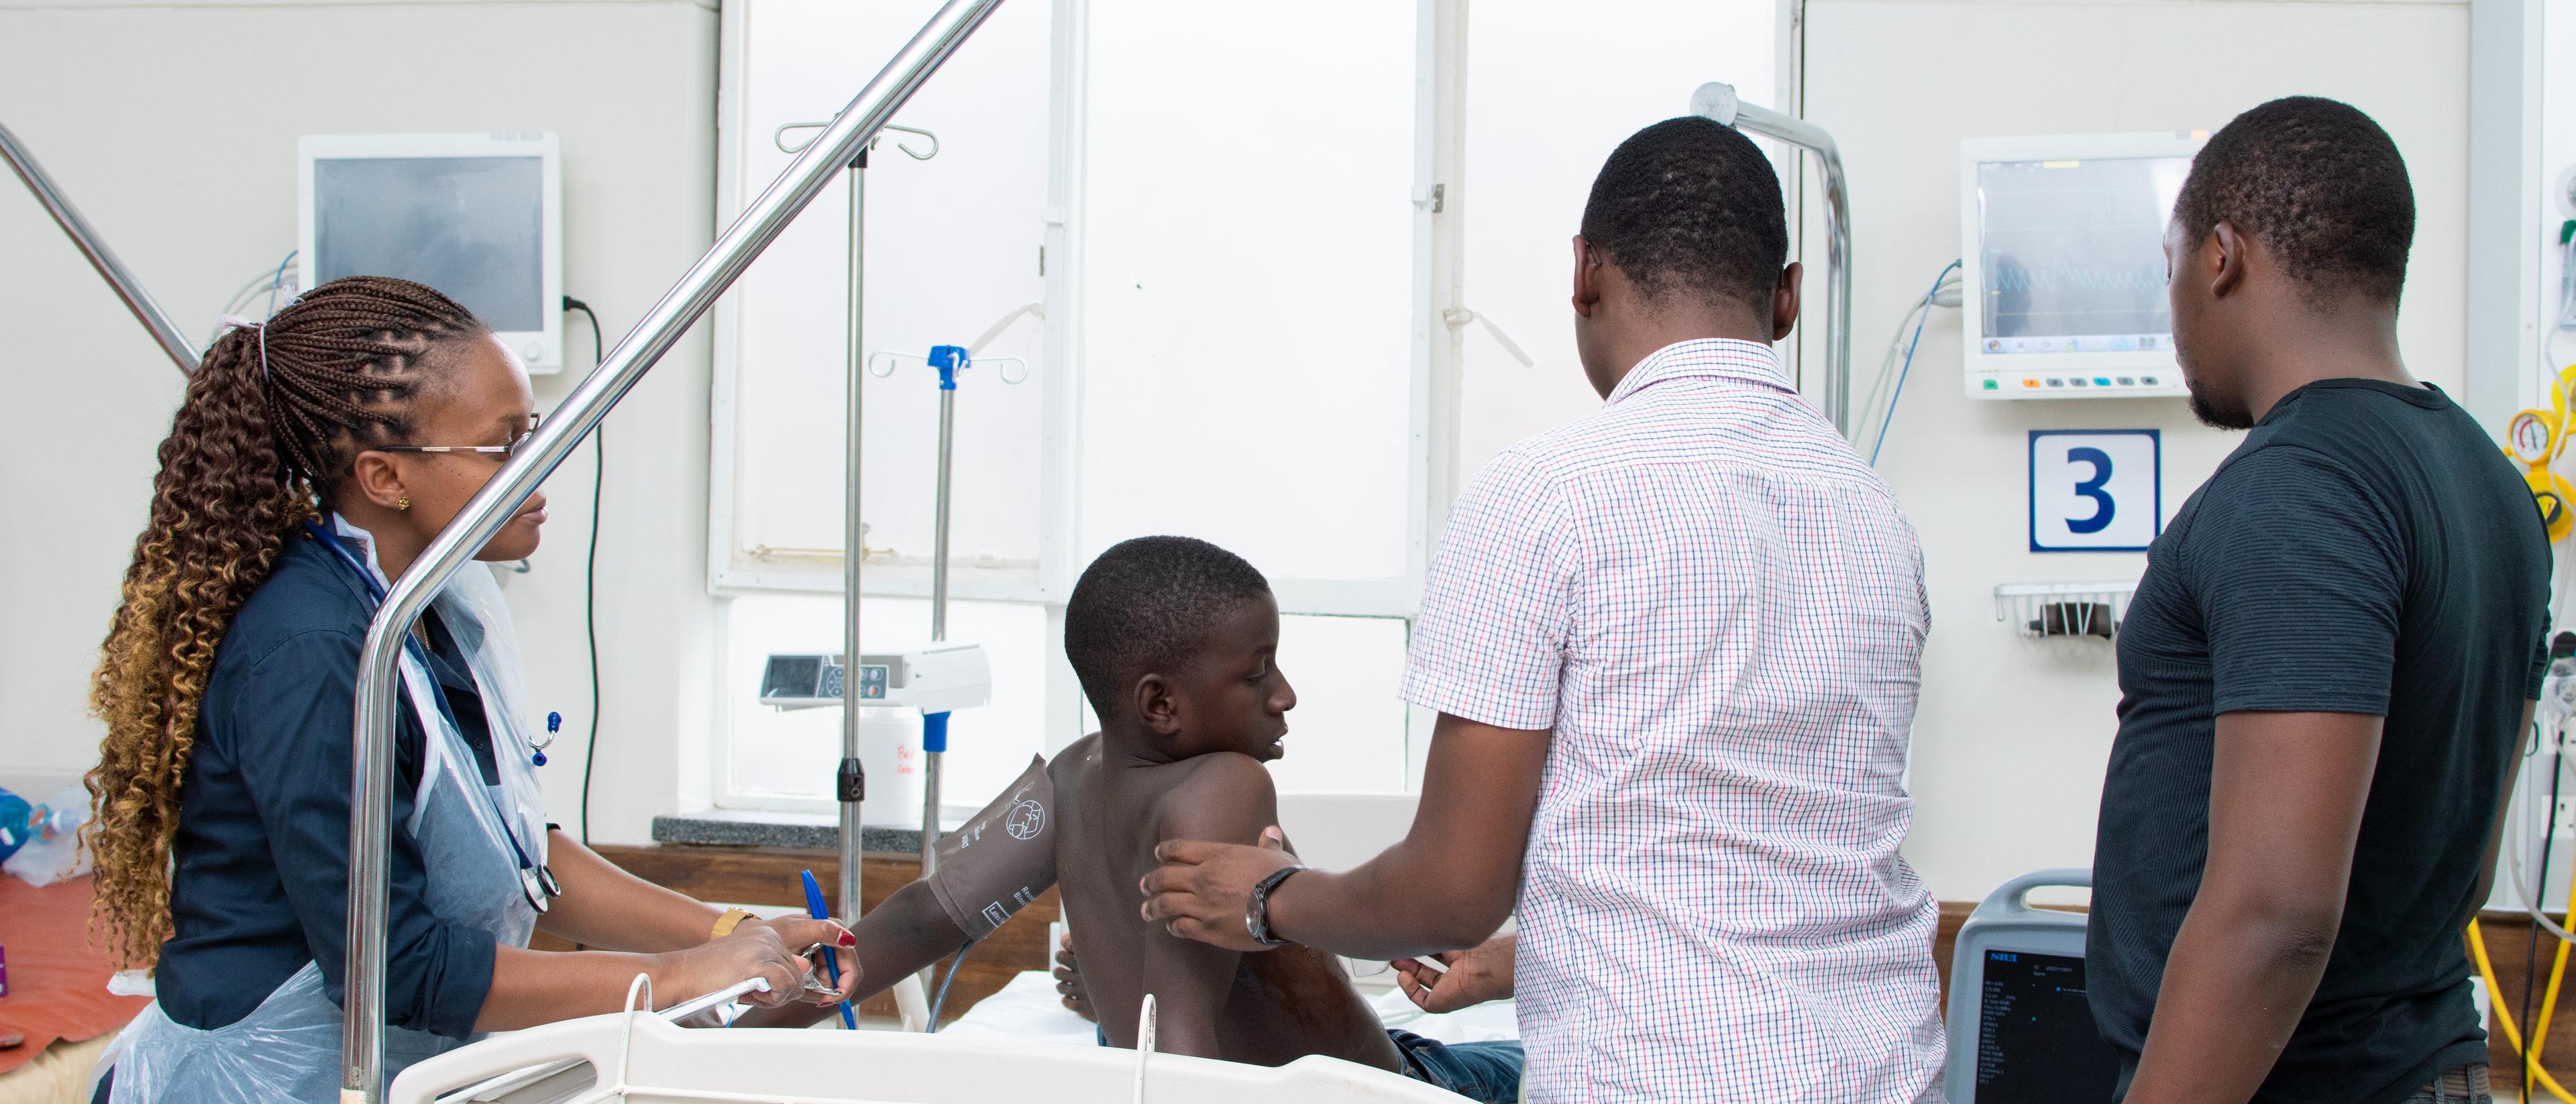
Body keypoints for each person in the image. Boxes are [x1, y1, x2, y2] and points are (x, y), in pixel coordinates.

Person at [1138, 116, 1947, 1101]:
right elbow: (1755, 864)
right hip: (1885, 1071)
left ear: (1584, 273)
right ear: (1787, 297)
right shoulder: (1874, 513)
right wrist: (1527, 956)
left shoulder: (1548, 496)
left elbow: (1453, 889)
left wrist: (1269, 898)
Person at [83, 277, 857, 1103]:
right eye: (502, 445)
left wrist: (729, 930)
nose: (538, 468)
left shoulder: (424, 605)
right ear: (385, 474)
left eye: (534, 433)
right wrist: (673, 976)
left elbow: (514, 853)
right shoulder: (314, 653)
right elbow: (395, 964)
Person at [2086, 97, 2550, 1104]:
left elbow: (2279, 915)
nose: (2173, 307)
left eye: (2172, 267)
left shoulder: (2299, 489)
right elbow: (2464, 873)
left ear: (2222, 257)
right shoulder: (2494, 488)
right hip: (2424, 1062)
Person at [785, 537, 1524, 1100]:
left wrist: (751, 1017)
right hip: (1382, 1092)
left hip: (1224, 1078)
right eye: (1256, 672)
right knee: (1544, 1066)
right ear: (1161, 703)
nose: (1285, 694)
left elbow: (926, 917)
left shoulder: (1069, 776)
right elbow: (1180, 1039)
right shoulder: (1224, 783)